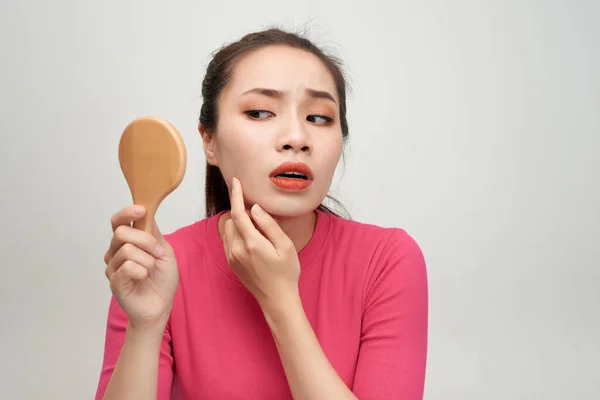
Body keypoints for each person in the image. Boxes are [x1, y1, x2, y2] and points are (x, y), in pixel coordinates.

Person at [96, 28, 428, 400]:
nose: (297, 137)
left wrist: (280, 299)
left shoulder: (387, 260)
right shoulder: (154, 266)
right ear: (209, 141)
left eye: (319, 117)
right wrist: (146, 324)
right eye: (259, 112)